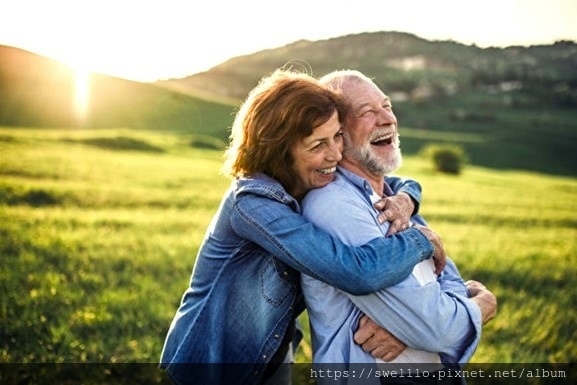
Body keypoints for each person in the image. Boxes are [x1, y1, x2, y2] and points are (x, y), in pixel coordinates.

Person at [159, 69, 449, 385]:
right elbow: (355, 272)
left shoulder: (306, 180)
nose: (336, 154)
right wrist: (420, 239)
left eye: (337, 136)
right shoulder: (253, 204)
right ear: (280, 151)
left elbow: (389, 181)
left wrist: (407, 197)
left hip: (272, 351)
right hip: (214, 362)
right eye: (317, 145)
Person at [301, 70, 497, 384]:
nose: (386, 119)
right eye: (367, 112)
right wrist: (483, 305)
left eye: (387, 106)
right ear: (338, 134)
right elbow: (437, 329)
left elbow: (447, 281)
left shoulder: (395, 200)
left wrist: (412, 329)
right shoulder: (334, 205)